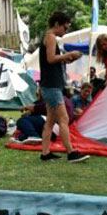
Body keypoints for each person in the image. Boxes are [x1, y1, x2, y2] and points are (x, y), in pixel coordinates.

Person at [39, 11, 89, 163]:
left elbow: (52, 61)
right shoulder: (51, 37)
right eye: (65, 28)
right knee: (64, 118)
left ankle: (45, 153)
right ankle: (71, 152)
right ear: (57, 24)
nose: (65, 31)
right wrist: (69, 55)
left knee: (50, 121)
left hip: (50, 84)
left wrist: (69, 59)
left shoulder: (50, 38)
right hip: (52, 85)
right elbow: (51, 58)